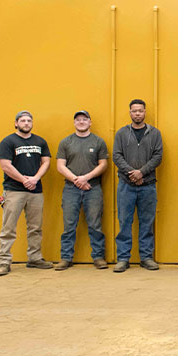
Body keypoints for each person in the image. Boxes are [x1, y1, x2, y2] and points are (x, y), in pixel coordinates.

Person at [0, 111, 53, 276]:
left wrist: (35, 178)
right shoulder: (8, 141)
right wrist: (23, 180)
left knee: (35, 227)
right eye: (23, 120)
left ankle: (35, 258)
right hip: (14, 191)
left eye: (29, 120)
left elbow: (46, 161)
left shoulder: (40, 141)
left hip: (36, 190)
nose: (26, 123)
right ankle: (4, 262)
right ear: (16, 123)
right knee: (8, 228)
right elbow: (5, 165)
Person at [112, 99, 163, 272]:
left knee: (147, 222)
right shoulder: (121, 133)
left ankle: (146, 257)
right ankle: (123, 258)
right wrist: (132, 173)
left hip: (148, 185)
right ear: (130, 112)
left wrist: (142, 172)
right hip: (126, 185)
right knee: (124, 222)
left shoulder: (154, 133)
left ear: (145, 112)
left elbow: (158, 156)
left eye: (140, 111)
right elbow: (117, 156)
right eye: (134, 111)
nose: (137, 114)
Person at [55, 111, 109, 270]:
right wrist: (77, 180)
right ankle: (66, 258)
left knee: (95, 224)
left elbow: (103, 164)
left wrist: (86, 178)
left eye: (84, 119)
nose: (81, 122)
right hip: (70, 189)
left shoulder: (99, 141)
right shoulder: (66, 142)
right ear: (74, 123)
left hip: (93, 188)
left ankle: (98, 257)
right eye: (78, 120)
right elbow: (60, 166)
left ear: (90, 122)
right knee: (69, 225)